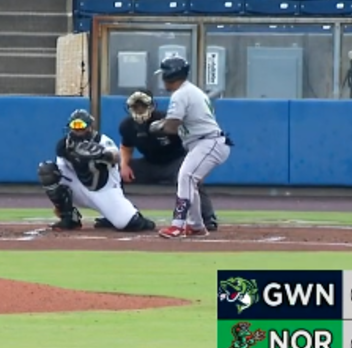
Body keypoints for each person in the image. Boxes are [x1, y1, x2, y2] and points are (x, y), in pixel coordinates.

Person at [150, 56, 233, 239]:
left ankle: (178, 225)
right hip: (204, 142)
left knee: (186, 176)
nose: (163, 78)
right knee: (189, 180)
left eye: (165, 74)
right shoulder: (189, 91)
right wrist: (164, 123)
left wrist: (159, 126)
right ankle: (195, 226)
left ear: (172, 75)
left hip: (209, 142)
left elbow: (172, 127)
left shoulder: (181, 94)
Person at [38, 109, 156, 232]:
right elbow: (62, 172)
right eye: (74, 126)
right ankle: (69, 217)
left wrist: (101, 154)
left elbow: (116, 157)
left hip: (105, 189)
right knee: (47, 171)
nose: (78, 130)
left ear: (89, 127)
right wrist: (59, 203)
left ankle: (127, 214)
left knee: (129, 224)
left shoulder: (102, 141)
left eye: (81, 126)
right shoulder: (64, 146)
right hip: (80, 186)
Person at [118, 89, 218, 231]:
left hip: (175, 162)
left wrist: (197, 166)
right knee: (113, 172)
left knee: (189, 177)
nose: (139, 110)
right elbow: (126, 147)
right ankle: (119, 215)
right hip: (149, 164)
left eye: (142, 106)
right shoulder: (127, 126)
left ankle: (207, 217)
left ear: (151, 106)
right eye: (135, 106)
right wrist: (124, 165)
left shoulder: (169, 122)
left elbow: (193, 141)